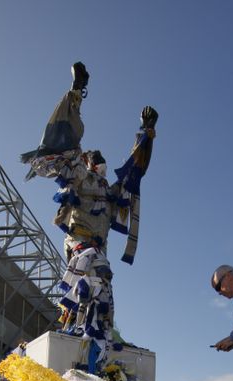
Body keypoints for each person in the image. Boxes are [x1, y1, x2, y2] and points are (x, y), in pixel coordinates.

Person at [21, 63, 157, 348]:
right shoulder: (79, 176)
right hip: (81, 241)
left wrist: (146, 133)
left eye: (101, 161)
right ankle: (80, 328)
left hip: (98, 247)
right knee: (96, 275)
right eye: (96, 159)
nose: (101, 163)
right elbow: (67, 142)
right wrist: (77, 91)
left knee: (100, 287)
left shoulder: (110, 190)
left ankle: (91, 331)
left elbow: (133, 172)